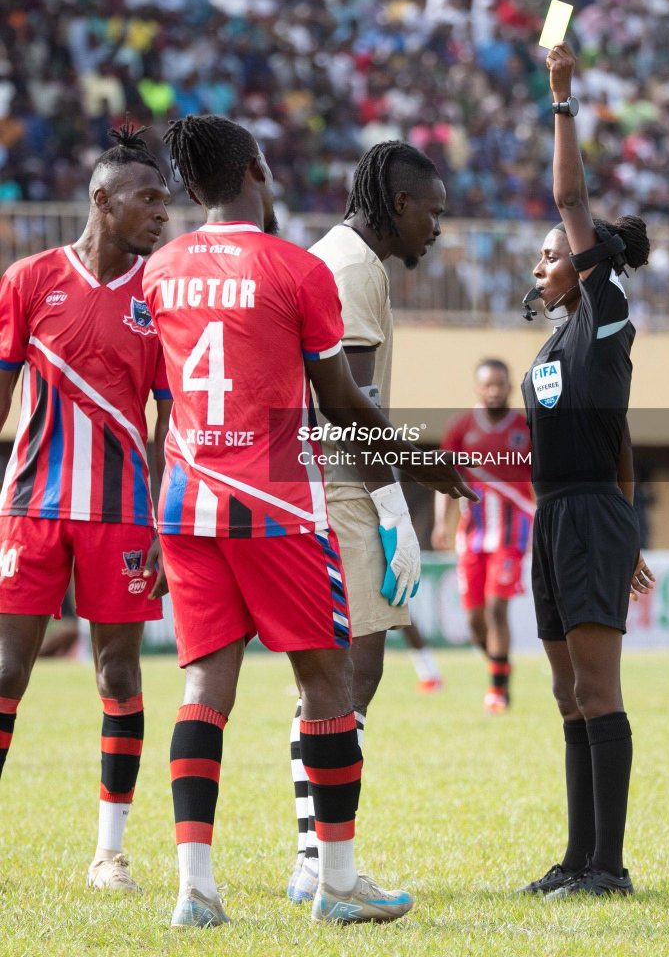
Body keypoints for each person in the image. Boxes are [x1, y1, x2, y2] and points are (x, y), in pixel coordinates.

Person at [141, 114, 476, 928]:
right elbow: (342, 401)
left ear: (190, 187)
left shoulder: (161, 268)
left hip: (187, 502)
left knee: (202, 690)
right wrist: (424, 465)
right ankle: (337, 879)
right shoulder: (298, 270)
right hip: (277, 505)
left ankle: (195, 888)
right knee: (327, 685)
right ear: (258, 166)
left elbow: (164, 398)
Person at [0, 125, 172, 891]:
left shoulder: (158, 297)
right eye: (149, 200)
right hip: (32, 502)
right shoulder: (29, 279)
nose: (161, 215)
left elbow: (170, 422)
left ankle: (110, 851)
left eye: (166, 201)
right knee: (6, 667)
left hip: (124, 511)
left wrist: (166, 520)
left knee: (120, 677)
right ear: (102, 200)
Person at [287, 141, 448, 903]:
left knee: (330, 679)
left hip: (323, 479)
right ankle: (323, 865)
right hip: (341, 485)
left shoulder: (343, 257)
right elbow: (347, 406)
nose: (437, 230)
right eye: (432, 212)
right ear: (397, 203)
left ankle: (312, 857)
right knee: (354, 674)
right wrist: (395, 503)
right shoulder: (352, 267)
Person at [517, 43, 654, 898]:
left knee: (598, 693)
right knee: (569, 696)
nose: (540, 267)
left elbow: (569, 197)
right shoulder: (552, 339)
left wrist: (560, 96)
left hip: (588, 518)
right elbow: (622, 440)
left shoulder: (603, 314)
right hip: (557, 518)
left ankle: (609, 868)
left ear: (586, 262)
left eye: (550, 255)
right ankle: (576, 861)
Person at [432, 359, 534, 713]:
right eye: (487, 385)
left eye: (499, 385)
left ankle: (498, 691)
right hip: (472, 535)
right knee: (475, 621)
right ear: (478, 388)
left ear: (508, 387)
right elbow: (445, 477)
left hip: (512, 533)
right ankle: (500, 664)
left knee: (496, 608)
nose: (493, 391)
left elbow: (541, 479)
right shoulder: (461, 427)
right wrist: (440, 524)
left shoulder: (525, 428)